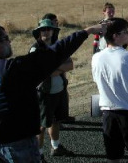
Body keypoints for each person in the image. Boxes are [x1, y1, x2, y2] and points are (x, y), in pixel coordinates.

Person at [0, 23, 104, 163]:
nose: (10, 41)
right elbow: (55, 53)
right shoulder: (14, 69)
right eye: (6, 38)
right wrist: (87, 31)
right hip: (21, 147)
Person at [92, 18, 128, 163]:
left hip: (108, 113)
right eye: (125, 32)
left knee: (113, 156)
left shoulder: (96, 57)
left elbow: (97, 81)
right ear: (115, 36)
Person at [29, 19, 74, 158]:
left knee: (56, 121)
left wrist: (53, 69)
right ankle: (39, 154)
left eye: (49, 29)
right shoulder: (35, 49)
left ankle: (56, 147)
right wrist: (58, 68)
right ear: (39, 32)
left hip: (59, 90)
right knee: (41, 126)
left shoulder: (58, 46)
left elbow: (70, 65)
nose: (46, 32)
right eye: (43, 29)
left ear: (53, 31)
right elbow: (41, 72)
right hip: (44, 93)